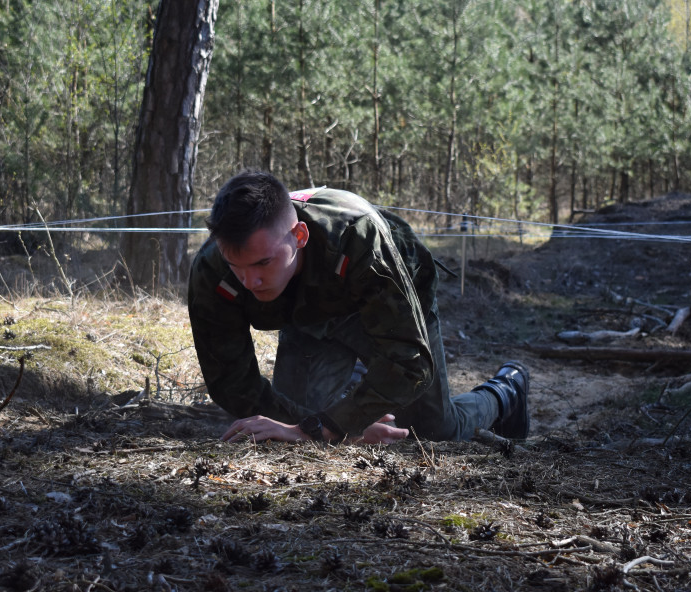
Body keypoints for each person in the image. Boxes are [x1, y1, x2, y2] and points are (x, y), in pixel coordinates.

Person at [187, 169, 530, 445]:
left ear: (300, 236)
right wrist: (329, 428)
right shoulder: (212, 269)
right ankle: (352, 385)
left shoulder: (360, 238)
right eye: (237, 266)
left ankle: (505, 390)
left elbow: (409, 364)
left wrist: (333, 426)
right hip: (308, 320)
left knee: (434, 431)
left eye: (263, 263)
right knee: (287, 432)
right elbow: (231, 382)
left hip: (388, 306)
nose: (250, 281)